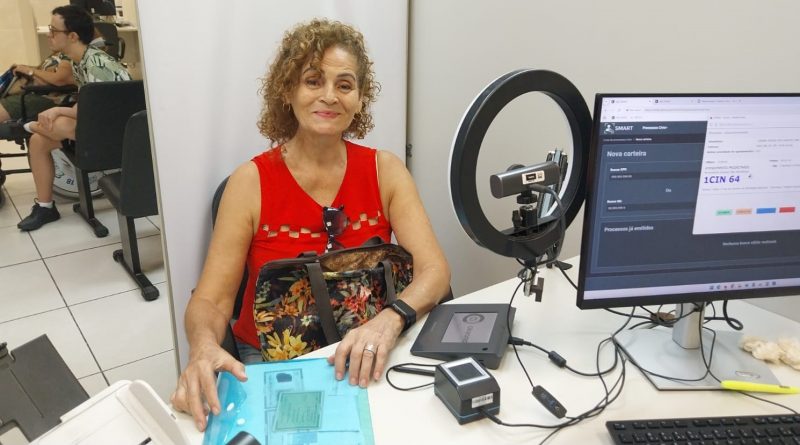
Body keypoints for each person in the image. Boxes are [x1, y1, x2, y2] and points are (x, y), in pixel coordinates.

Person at [171, 19, 451, 431]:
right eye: (313, 81)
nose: (329, 96)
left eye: (344, 84)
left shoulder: (386, 171)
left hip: (370, 349)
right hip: (276, 361)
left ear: (360, 99)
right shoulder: (250, 183)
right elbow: (210, 301)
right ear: (288, 91)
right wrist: (202, 348)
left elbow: (435, 271)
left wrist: (388, 322)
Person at [16, 4, 131, 231]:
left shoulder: (97, 64)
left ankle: (29, 126)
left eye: (53, 30)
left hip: (120, 135)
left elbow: (99, 113)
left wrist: (58, 111)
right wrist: (60, 110)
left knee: (57, 123)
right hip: (100, 123)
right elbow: (90, 104)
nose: (49, 35)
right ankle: (46, 207)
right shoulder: (81, 60)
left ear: (72, 36)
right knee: (38, 142)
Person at [0, 52, 75, 124]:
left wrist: (30, 71)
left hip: (49, 97)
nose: (49, 41)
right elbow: (42, 71)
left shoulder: (69, 56)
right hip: (33, 92)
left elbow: (58, 80)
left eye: (53, 38)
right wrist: (24, 68)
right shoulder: (59, 53)